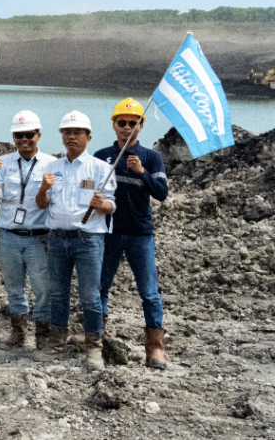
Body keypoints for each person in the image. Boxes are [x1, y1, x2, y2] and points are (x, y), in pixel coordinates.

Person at [34, 111, 116, 371]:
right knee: (58, 293)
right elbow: (41, 204)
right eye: (66, 132)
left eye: (77, 132)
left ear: (88, 137)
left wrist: (100, 205)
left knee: (91, 296)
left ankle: (94, 348)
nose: (70, 137)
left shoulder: (100, 169)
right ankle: (57, 344)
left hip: (88, 240)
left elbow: (112, 206)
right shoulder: (53, 168)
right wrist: (43, 189)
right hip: (57, 238)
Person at [94, 98, 169, 370]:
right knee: (100, 286)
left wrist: (142, 172)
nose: (127, 127)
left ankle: (155, 348)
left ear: (141, 125)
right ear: (114, 125)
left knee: (149, 292)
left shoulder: (151, 157)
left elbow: (161, 193)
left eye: (133, 123)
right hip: (109, 232)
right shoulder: (101, 156)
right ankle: (95, 338)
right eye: (121, 122)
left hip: (140, 233)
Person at [0, 111, 54, 349]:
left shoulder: (50, 164)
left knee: (43, 289)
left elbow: (52, 201)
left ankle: (43, 336)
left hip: (38, 237)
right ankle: (19, 333)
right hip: (9, 237)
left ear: (38, 135)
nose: (24, 139)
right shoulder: (3, 163)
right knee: (14, 287)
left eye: (29, 134)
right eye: (18, 135)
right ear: (13, 137)